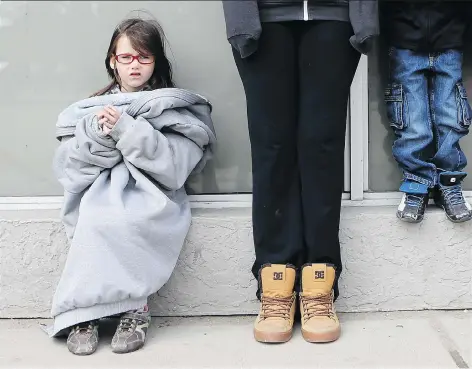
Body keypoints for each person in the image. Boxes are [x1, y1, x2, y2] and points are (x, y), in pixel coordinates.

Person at [48, 16, 216, 355]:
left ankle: (134, 309)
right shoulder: (87, 110)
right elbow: (71, 169)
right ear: (113, 61)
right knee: (96, 219)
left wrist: (127, 130)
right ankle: (85, 315)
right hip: (97, 191)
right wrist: (96, 135)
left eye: (143, 57)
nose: (134, 65)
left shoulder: (173, 107)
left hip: (154, 192)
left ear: (156, 61)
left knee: (130, 219)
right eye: (126, 57)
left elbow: (173, 169)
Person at [222, 0, 378, 343]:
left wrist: (365, 17)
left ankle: (319, 279)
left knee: (321, 144)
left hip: (333, 17)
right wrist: (240, 19)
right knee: (271, 144)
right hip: (264, 17)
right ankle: (275, 278)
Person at [382, 1, 472, 224]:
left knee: (451, 114)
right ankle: (416, 183)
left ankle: (449, 183)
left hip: (452, 35)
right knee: (412, 118)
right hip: (405, 37)